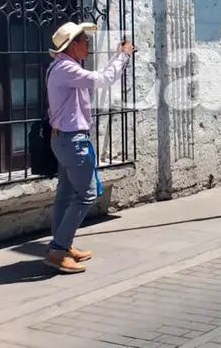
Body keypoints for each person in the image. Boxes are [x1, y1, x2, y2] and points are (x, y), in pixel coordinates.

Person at [44, 21, 134, 274]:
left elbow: (98, 77)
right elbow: (103, 79)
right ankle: (58, 250)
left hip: (64, 139)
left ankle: (62, 244)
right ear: (73, 45)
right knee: (87, 194)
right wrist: (123, 56)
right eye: (84, 40)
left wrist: (118, 55)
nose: (88, 44)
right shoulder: (66, 68)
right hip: (72, 141)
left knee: (65, 194)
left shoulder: (62, 66)